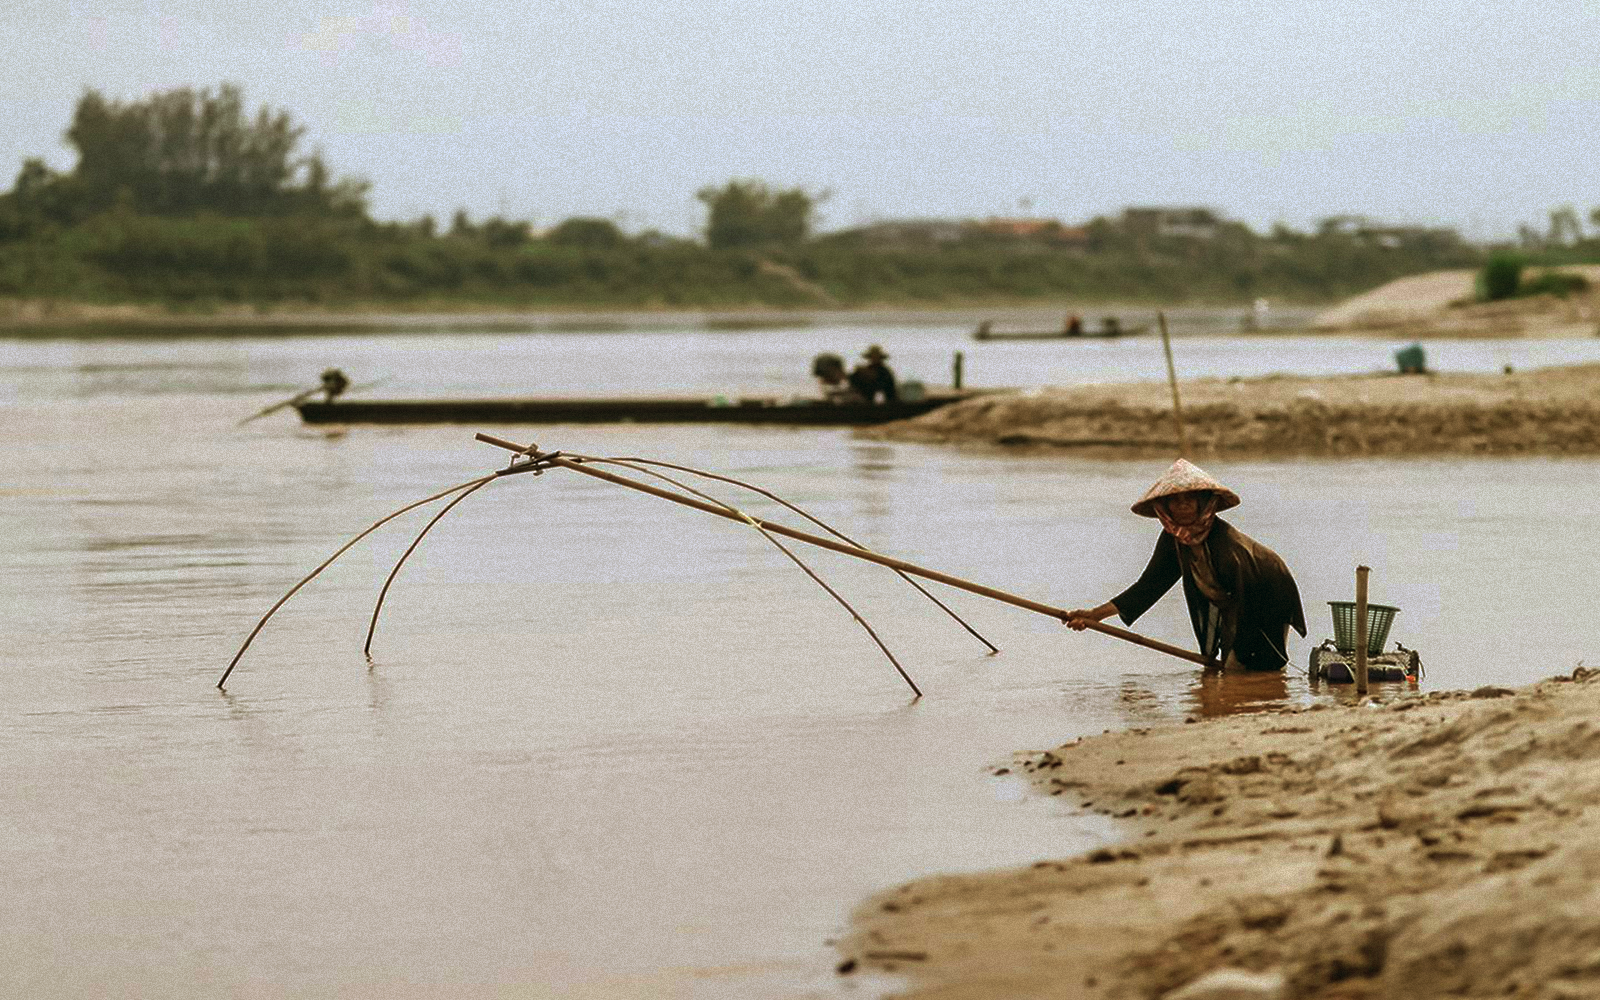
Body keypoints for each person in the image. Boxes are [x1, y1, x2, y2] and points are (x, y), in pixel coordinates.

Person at [1064, 459, 1306, 671]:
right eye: (1175, 500)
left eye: (1190, 498)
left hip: (1267, 591)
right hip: (1232, 600)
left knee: (1253, 663)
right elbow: (1148, 587)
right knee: (1232, 664)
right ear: (1165, 506)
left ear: (1203, 502)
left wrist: (1238, 658)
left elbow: (1247, 606)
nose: (1183, 505)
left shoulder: (1227, 546)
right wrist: (1095, 615)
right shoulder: (1174, 540)